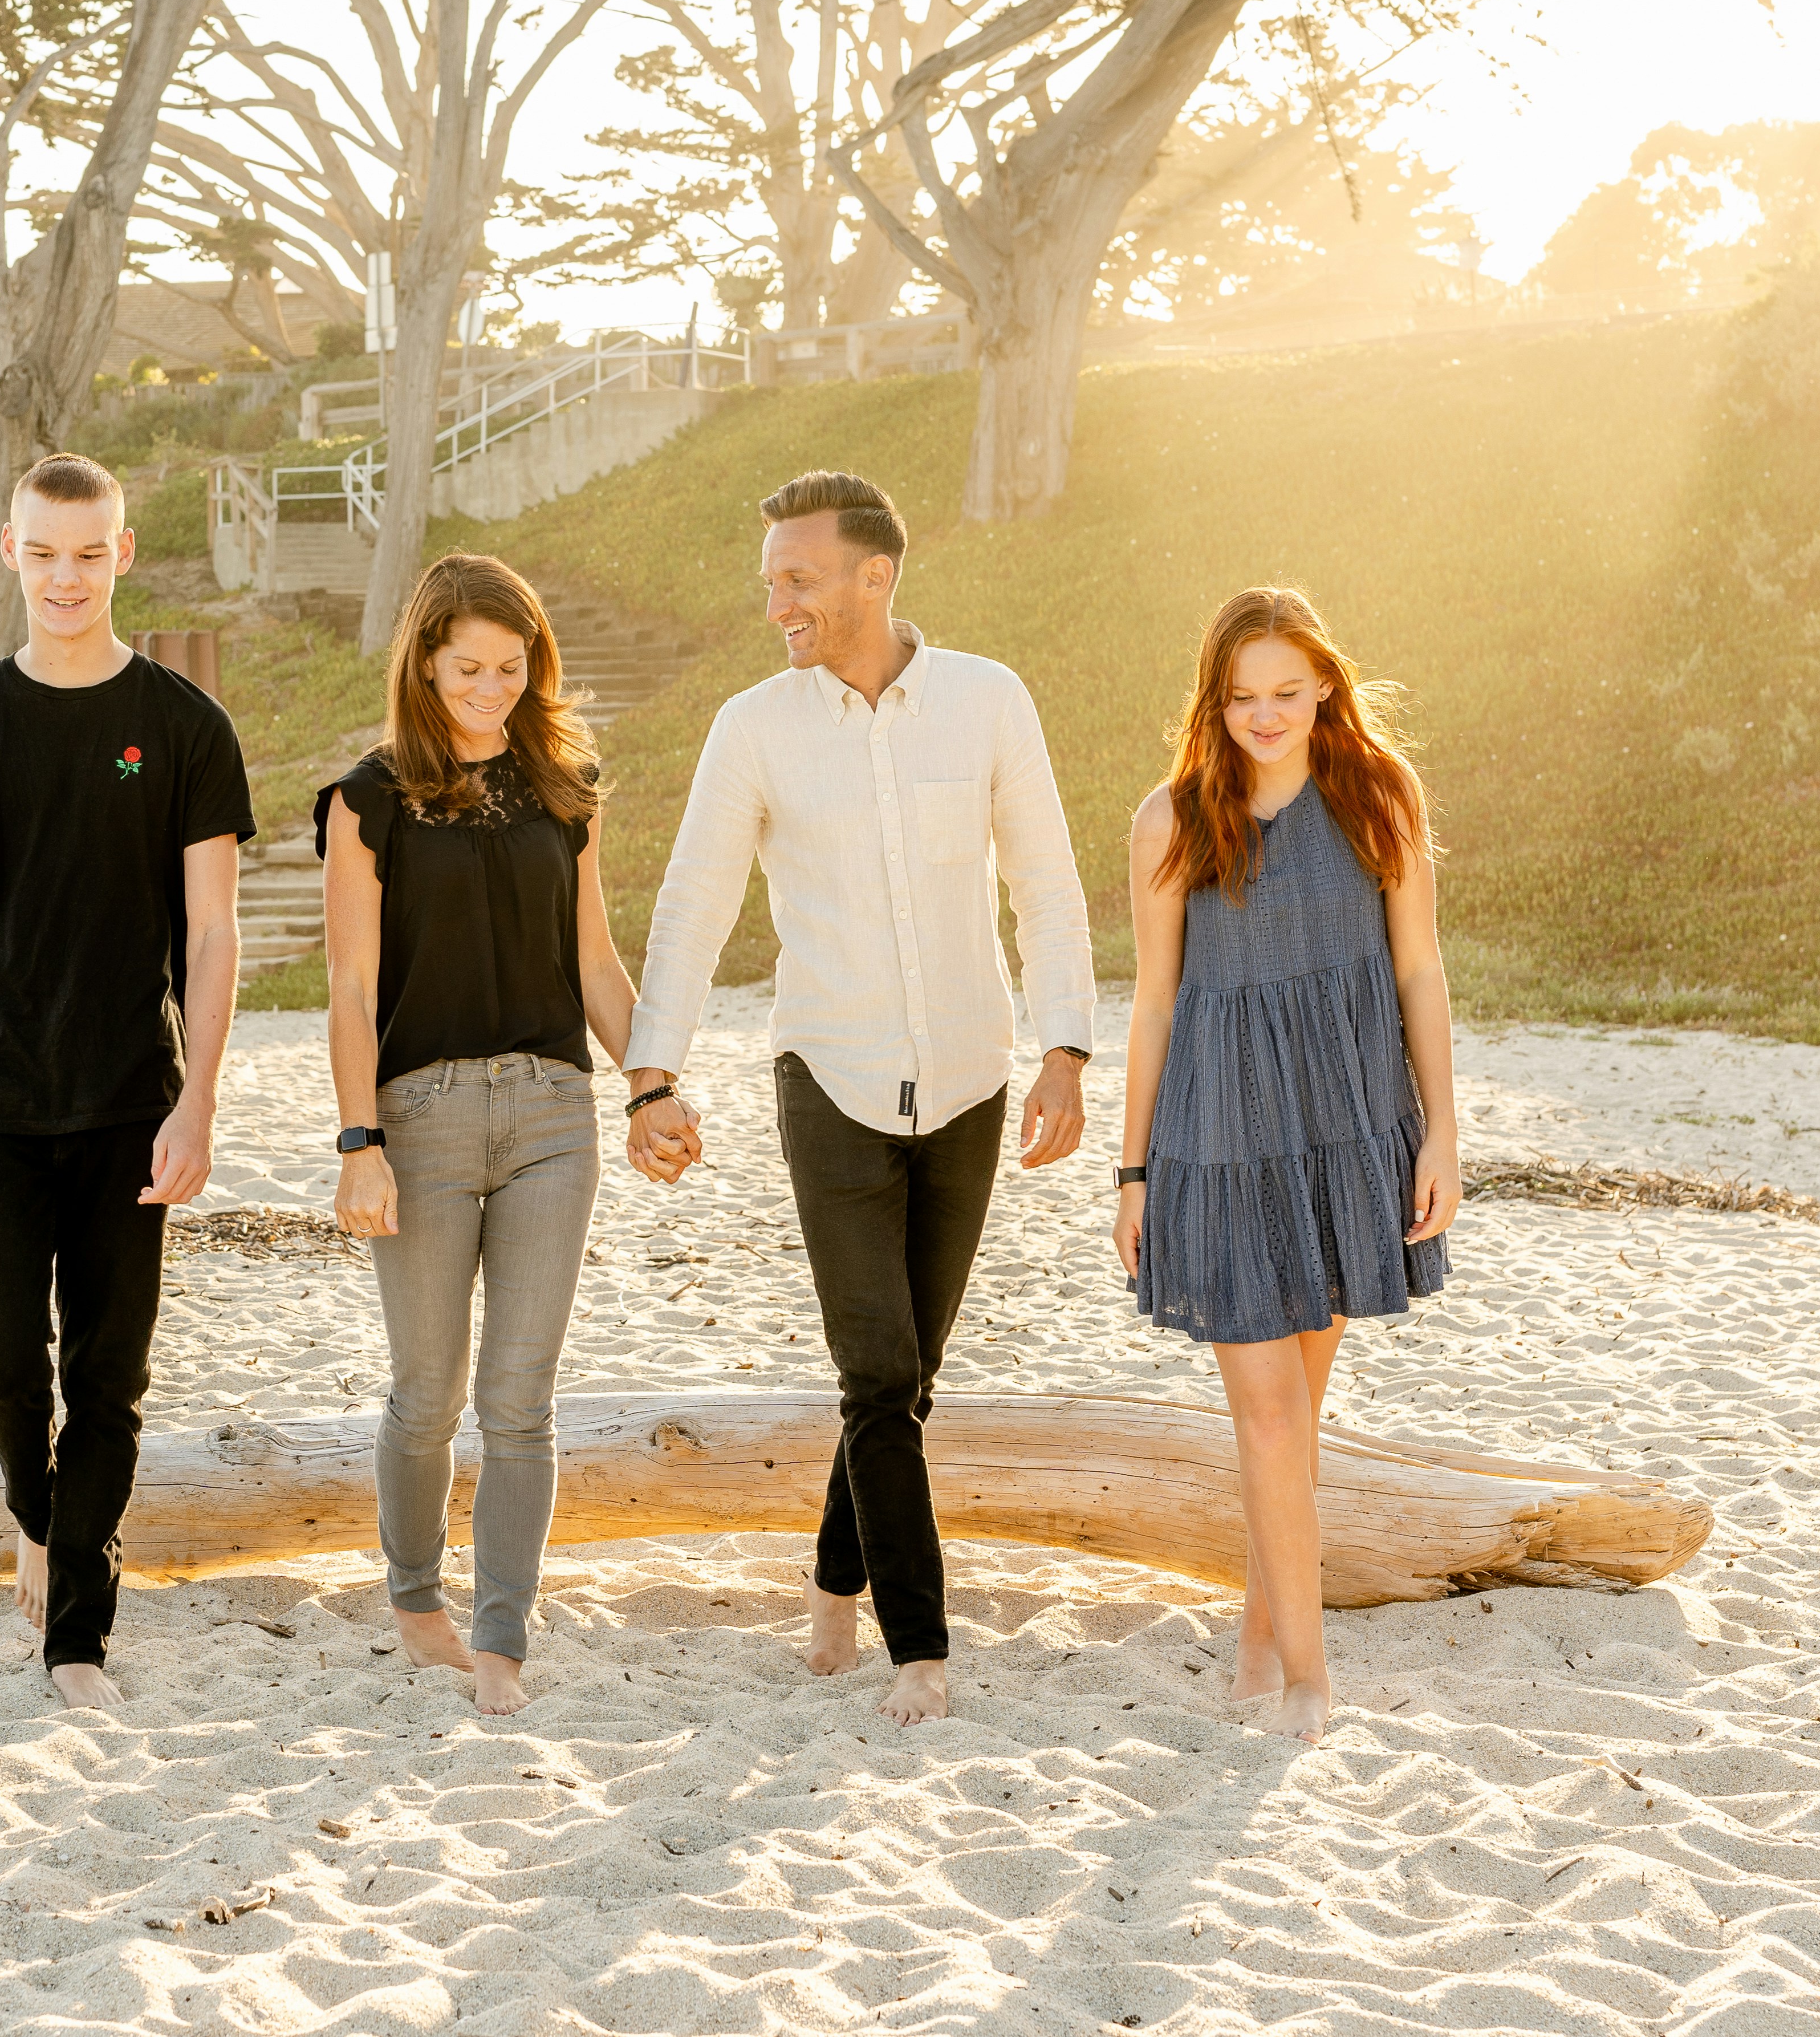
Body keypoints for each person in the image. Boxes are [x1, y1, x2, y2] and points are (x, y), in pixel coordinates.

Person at [624, 470, 1094, 1728]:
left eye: (796, 577)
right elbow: (692, 903)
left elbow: (1044, 885)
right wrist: (650, 1075)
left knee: (907, 1374)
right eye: (768, 577)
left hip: (971, 1077)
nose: (774, 599)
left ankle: (833, 1580)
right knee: (878, 1369)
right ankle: (917, 1647)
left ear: (870, 577)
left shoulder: (988, 701)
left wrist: (1065, 1048)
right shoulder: (753, 726)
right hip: (824, 1076)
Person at [0, 451, 255, 1711]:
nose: (65, 575)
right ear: (10, 552)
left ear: (123, 551)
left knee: (108, 1374)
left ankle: (77, 1639)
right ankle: (40, 1518)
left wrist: (198, 1097)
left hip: (128, 1103)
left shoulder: (181, 725)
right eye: (43, 552)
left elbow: (211, 934)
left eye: (88, 552)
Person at [1110, 586, 1459, 1744]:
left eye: (1284, 691)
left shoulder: (1378, 795)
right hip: (1218, 1140)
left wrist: (1441, 1132)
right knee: (1267, 1419)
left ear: (1322, 685)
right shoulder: (1170, 820)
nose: (1263, 715)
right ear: (1212, 700)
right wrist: (1132, 1172)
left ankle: (1260, 1643)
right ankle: (1308, 1677)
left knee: (1294, 1415)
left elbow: (1417, 972)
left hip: (1350, 1125)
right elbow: (1154, 1005)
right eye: (1239, 695)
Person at [319, 554, 652, 1717]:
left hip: (554, 1115)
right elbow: (353, 987)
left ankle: (501, 1633)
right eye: (469, 667)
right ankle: (417, 1598)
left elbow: (595, 963)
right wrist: (358, 1139)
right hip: (419, 1120)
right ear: (424, 660)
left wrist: (652, 1083)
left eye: (513, 668)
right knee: (426, 1389)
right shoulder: (369, 798)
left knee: (520, 1393)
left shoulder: (566, 786)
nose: (492, 688)